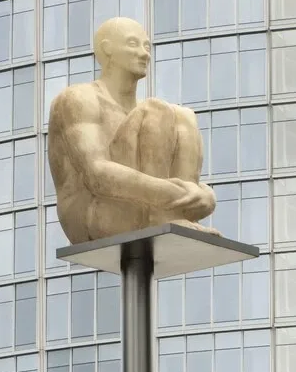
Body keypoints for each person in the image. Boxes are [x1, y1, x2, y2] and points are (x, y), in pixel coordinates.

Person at [47, 17, 216, 242]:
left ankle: (175, 214)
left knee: (184, 115)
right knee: (156, 109)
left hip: (147, 204)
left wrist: (204, 195)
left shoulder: (147, 117)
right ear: (108, 49)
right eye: (132, 44)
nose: (145, 53)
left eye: (147, 46)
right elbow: (97, 175)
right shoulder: (79, 98)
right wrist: (178, 194)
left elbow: (167, 182)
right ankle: (166, 214)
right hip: (93, 213)